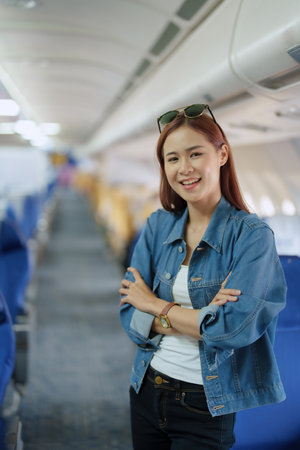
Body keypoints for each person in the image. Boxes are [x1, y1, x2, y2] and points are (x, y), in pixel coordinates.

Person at [119, 104, 286, 450]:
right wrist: (201, 317)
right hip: (147, 387)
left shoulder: (253, 236)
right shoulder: (156, 225)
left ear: (222, 153)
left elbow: (230, 329)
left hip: (206, 402)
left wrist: (154, 305)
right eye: (173, 159)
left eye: (195, 154)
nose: (185, 168)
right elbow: (129, 315)